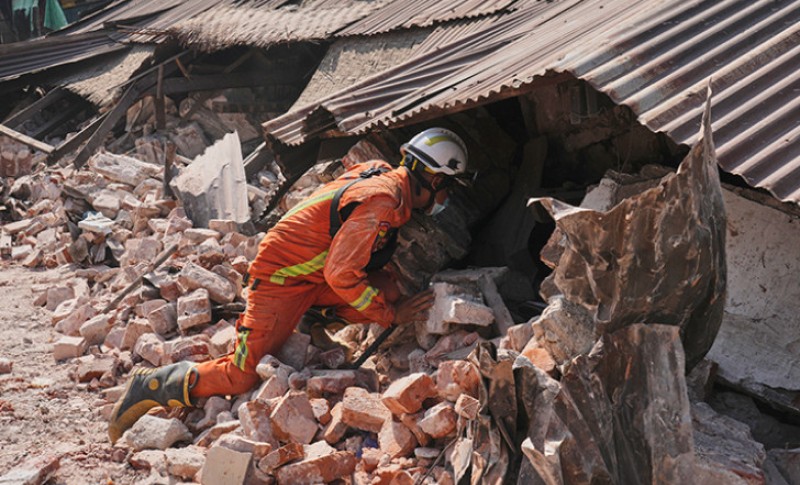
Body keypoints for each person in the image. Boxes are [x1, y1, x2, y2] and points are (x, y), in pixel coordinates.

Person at [108, 127, 469, 443]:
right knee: (240, 376)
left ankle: (310, 321)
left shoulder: (382, 178)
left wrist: (385, 303)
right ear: (435, 180)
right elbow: (342, 274)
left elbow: (340, 263)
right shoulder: (383, 201)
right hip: (281, 278)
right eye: (448, 187)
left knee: (386, 288)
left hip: (310, 275)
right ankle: (152, 384)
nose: (446, 198)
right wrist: (389, 316)